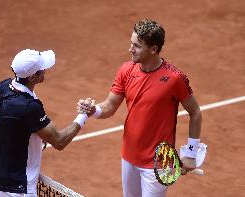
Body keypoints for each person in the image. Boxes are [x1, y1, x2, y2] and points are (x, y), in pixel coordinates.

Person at [77, 19, 202, 197]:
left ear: (153, 49)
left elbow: (195, 112)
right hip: (129, 156)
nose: (130, 49)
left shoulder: (175, 78)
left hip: (159, 163)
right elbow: (110, 105)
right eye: (131, 43)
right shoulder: (126, 70)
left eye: (137, 45)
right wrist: (93, 110)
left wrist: (191, 152)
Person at [0, 49, 89, 196]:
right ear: (34, 76)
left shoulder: (3, 88)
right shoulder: (30, 107)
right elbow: (59, 141)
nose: (45, 70)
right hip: (20, 189)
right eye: (42, 69)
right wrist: (83, 115)